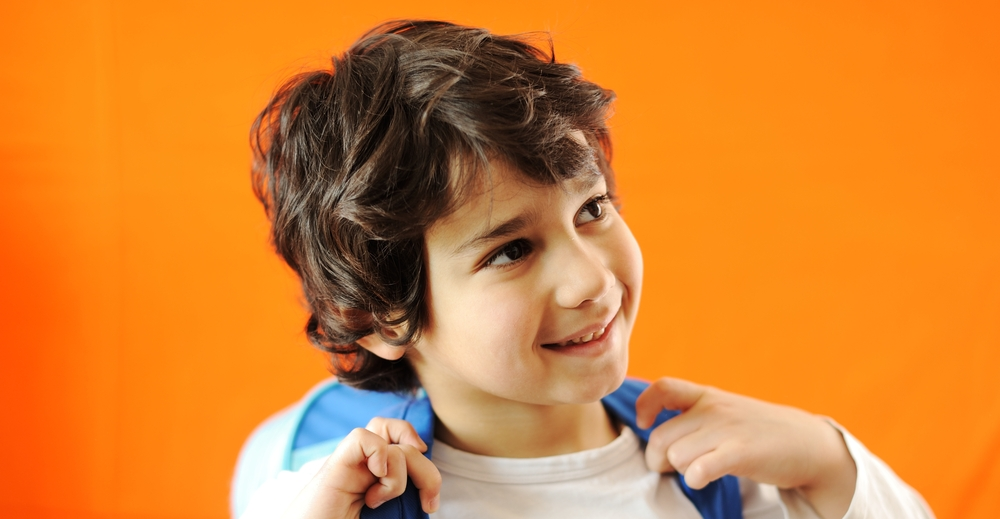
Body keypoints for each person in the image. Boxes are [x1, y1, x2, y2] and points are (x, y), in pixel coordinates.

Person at [239, 19, 933, 519]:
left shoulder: (726, 479)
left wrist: (829, 462)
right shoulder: (328, 497)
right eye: (511, 250)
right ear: (379, 315)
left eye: (592, 208)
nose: (593, 281)